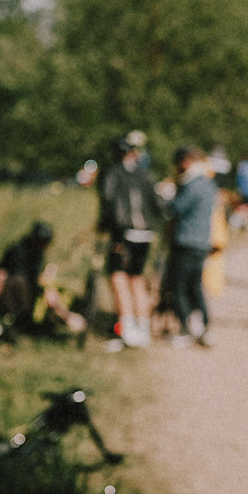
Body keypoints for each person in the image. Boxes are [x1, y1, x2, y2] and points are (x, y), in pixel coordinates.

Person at [97, 134, 161, 348]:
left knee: (118, 277)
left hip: (123, 233)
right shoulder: (146, 174)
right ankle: (143, 328)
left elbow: (108, 202)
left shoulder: (112, 173)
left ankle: (126, 328)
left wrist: (105, 227)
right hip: (146, 233)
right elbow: (157, 204)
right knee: (137, 277)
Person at [162, 144, 217, 348]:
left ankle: (185, 328)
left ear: (185, 162)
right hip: (202, 242)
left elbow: (175, 209)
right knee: (195, 286)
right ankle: (203, 326)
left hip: (185, 241)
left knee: (180, 287)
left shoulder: (192, 183)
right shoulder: (209, 183)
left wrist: (165, 198)